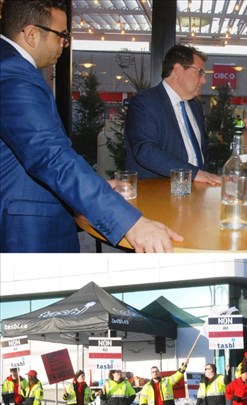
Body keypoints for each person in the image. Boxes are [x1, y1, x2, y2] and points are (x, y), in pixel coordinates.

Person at [0, 0, 181, 253]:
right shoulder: (13, 74)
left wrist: (99, 184)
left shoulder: (14, 69)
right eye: (61, 35)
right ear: (31, 34)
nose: (65, 43)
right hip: (26, 229)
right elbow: (50, 156)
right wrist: (131, 222)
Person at [124, 44, 220, 185]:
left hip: (195, 191)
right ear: (178, 70)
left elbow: (202, 150)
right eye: (200, 72)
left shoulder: (195, 105)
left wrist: (203, 177)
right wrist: (195, 174)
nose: (204, 80)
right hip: (158, 195)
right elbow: (145, 151)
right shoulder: (145, 102)